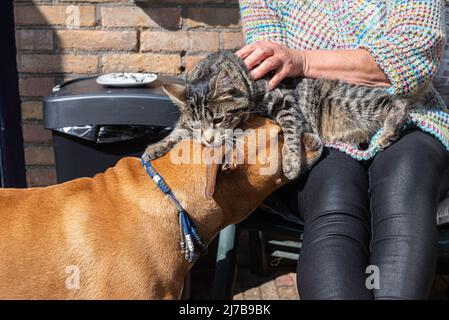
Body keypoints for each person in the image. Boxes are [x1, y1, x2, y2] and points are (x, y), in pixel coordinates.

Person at [236, 0, 449, 299]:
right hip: (316, 126)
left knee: (405, 178)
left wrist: (303, 61)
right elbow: (271, 73)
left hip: (409, 116)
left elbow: (413, 54)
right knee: (334, 195)